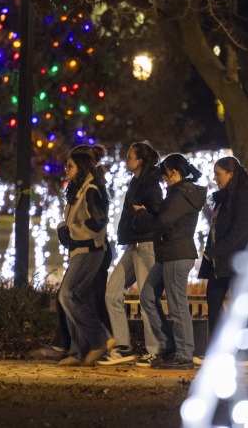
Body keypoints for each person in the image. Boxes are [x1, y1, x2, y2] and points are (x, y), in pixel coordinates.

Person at [99, 141, 169, 366]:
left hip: (146, 245)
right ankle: (123, 346)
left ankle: (155, 350)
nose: (126, 160)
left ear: (139, 161)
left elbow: (159, 216)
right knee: (112, 293)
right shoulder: (136, 181)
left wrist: (142, 216)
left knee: (147, 298)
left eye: (130, 157)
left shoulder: (151, 184)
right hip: (132, 245)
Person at [133, 153, 205, 370]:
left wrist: (143, 214)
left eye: (165, 174)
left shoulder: (182, 194)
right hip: (168, 253)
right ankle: (170, 345)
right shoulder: (178, 192)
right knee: (147, 295)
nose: (163, 179)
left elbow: (163, 220)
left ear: (174, 172)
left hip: (177, 253)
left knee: (177, 305)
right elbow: (164, 216)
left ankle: (184, 354)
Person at [198, 156, 248, 359]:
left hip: (237, 260)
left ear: (231, 174)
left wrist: (216, 250)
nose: (215, 178)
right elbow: (216, 226)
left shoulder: (241, 197)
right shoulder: (224, 197)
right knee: (214, 300)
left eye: (218, 174)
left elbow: (240, 230)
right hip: (222, 261)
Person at [55, 151, 111, 366]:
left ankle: (98, 340)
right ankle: (79, 351)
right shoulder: (78, 190)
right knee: (77, 297)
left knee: (67, 295)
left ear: (81, 167)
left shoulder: (91, 189)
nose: (66, 170)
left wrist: (70, 233)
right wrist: (66, 231)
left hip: (90, 250)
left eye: (70, 166)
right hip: (80, 250)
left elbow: (97, 223)